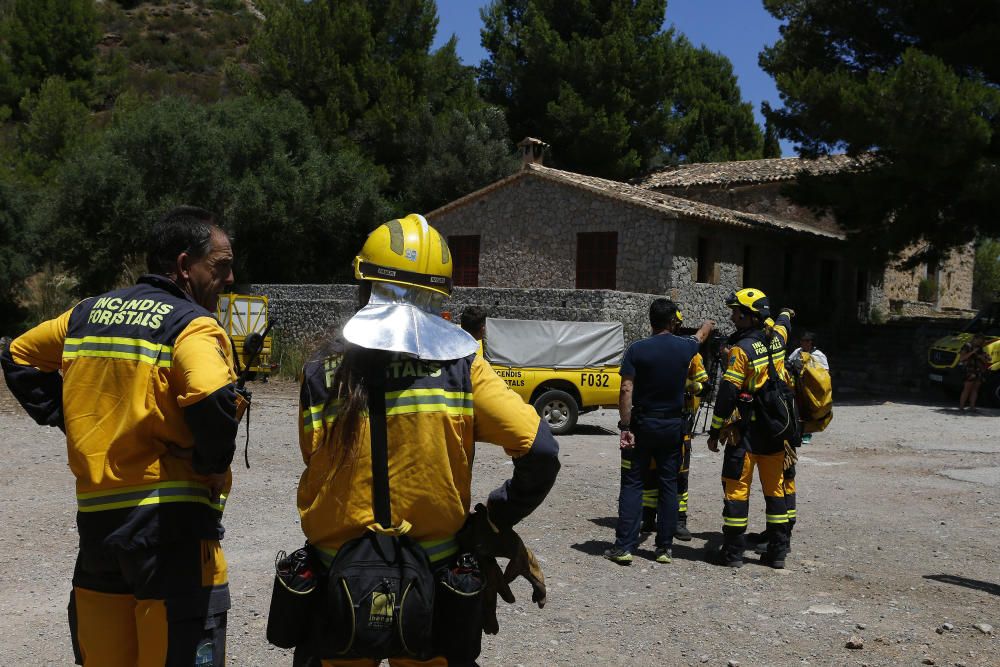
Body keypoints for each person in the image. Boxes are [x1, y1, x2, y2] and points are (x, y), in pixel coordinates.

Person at [294, 214, 560, 666]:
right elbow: (540, 450)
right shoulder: (463, 363)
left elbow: (313, 456)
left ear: (364, 284)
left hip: (339, 582)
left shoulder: (322, 368)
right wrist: (496, 518)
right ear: (439, 296)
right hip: (435, 585)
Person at [1, 206, 242, 666]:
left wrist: (74, 418)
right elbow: (212, 395)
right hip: (168, 532)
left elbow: (18, 355)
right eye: (221, 266)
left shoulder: (86, 314)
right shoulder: (190, 325)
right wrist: (208, 464)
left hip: (99, 532)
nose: (230, 278)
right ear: (184, 265)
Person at [605, 299, 714, 565]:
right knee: (669, 485)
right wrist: (708, 324)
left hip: (643, 425)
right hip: (673, 427)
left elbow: (626, 390)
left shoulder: (637, 349)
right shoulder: (685, 347)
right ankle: (664, 548)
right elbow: (700, 336)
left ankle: (624, 547)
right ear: (672, 321)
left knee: (633, 484)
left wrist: (625, 425)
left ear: (651, 320)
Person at [706, 288, 796, 569]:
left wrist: (714, 430)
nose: (732, 315)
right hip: (777, 433)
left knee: (736, 490)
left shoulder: (741, 351)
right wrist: (783, 313)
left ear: (749, 316)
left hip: (746, 433)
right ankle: (777, 553)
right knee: (776, 492)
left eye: (736, 311)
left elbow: (728, 392)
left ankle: (732, 554)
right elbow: (784, 323)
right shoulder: (778, 340)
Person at [639, 306, 710, 541]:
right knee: (650, 472)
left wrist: (688, 388)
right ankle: (648, 517)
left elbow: (703, 384)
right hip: (657, 419)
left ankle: (679, 521)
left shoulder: (691, 353)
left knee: (679, 474)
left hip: (680, 421)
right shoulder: (650, 349)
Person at [788, 331, 829, 444]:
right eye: (802, 341)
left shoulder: (818, 355)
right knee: (797, 408)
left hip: (811, 388)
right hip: (797, 385)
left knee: (808, 410)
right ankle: (796, 432)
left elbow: (825, 372)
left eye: (806, 341)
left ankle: (807, 433)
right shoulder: (797, 351)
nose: (803, 343)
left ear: (811, 343)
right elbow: (789, 362)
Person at [959, 334, 991, 411]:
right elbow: (962, 358)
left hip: (979, 370)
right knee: (967, 388)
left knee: (975, 389)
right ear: (974, 339)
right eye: (979, 341)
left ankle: (972, 407)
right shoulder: (967, 346)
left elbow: (986, 360)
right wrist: (972, 352)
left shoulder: (980, 348)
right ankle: (961, 407)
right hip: (969, 369)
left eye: (981, 341)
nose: (980, 343)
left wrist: (983, 357)